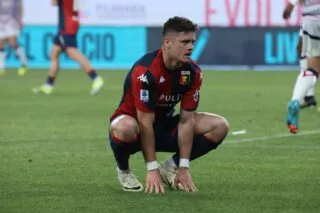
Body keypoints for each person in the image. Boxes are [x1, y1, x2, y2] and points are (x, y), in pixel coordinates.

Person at [108, 16, 229, 193]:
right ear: (167, 43)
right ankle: (124, 170)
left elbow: (187, 121)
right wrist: (151, 168)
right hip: (135, 127)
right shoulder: (146, 71)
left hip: (163, 127)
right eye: (185, 42)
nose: (191, 47)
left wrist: (184, 166)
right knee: (125, 128)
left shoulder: (192, 72)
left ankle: (170, 167)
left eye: (192, 42)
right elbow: (144, 122)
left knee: (219, 126)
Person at [33, 0, 104, 95]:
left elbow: (53, 2)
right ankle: (48, 85)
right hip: (71, 21)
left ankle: (96, 78)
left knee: (72, 52)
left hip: (67, 25)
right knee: (55, 53)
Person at [286, 0, 320, 134]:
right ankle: (309, 97)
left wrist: (290, 6)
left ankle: (296, 100)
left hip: (311, 21)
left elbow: (290, 5)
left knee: (313, 68)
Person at [283, 0, 317, 108]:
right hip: (311, 20)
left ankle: (300, 99)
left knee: (312, 66)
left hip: (312, 21)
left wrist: (292, 4)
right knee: (305, 54)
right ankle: (308, 97)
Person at [0, 0, 28, 76]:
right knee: (1, 43)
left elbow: (20, 6)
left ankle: (24, 62)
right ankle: (1, 66)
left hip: (12, 20)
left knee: (13, 43)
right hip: (1, 20)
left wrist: (20, 20)